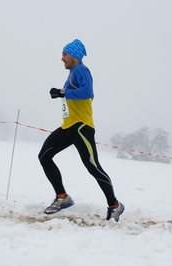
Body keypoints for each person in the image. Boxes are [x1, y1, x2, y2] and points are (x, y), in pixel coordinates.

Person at [38, 39, 125, 222]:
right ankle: (62, 197)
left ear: (74, 56)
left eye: (64, 54)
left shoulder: (81, 70)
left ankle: (115, 205)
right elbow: (74, 94)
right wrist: (61, 92)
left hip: (82, 127)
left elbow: (88, 92)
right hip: (68, 127)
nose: (62, 58)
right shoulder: (72, 74)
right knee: (44, 155)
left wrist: (63, 93)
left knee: (93, 167)